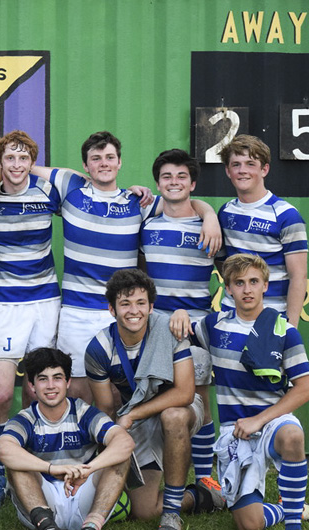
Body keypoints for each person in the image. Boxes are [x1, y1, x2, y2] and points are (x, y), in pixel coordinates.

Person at [0, 131, 221, 405]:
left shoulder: (138, 202)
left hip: (119, 312)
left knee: (116, 395)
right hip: (76, 311)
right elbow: (22, 166)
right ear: (85, 165)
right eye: (96, 158)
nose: (104, 163)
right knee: (76, 392)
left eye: (110, 157)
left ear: (119, 162)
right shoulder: (70, 187)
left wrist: (209, 214)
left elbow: (181, 201)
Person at [176, 254, 309, 529]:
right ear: (228, 288)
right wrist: (180, 314)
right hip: (235, 432)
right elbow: (181, 333)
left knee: (293, 436)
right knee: (250, 524)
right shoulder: (213, 326)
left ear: (265, 286)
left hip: (272, 423)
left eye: (254, 282)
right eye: (239, 283)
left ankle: (294, 524)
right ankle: (291, 509)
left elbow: (305, 389)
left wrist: (259, 420)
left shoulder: (284, 331)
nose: (247, 289)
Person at [85, 269, 220, 530]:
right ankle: (202, 497)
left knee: (173, 415)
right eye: (125, 303)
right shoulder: (99, 348)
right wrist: (107, 456)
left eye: (140, 303)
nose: (133, 311)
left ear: (151, 307)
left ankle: (171, 513)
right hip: (137, 419)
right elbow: (105, 408)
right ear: (112, 309)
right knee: (144, 511)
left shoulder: (168, 330)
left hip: (180, 408)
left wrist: (132, 415)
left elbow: (184, 393)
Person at [0, 131, 63, 509]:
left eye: (23, 158)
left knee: (35, 393)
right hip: (5, 306)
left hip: (45, 303)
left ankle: (30, 473)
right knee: (1, 394)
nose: (16, 165)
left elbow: (86, 182)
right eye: (9, 158)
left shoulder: (48, 192)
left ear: (32, 162)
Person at [139, 149, 220, 496]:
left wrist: (209, 214)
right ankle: (150, 471)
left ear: (193, 183)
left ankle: (204, 477)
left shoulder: (208, 226)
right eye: (167, 177)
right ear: (158, 184)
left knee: (198, 400)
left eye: (181, 176)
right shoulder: (147, 223)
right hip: (155, 324)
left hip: (196, 324)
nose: (174, 182)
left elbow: (232, 271)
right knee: (153, 397)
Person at [0, 347, 134, 530]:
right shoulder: (25, 419)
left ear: (68, 382)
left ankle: (92, 524)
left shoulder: (84, 412)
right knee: (16, 463)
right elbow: (3, 449)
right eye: (43, 379)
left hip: (84, 494)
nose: (51, 386)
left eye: (57, 378)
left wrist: (87, 470)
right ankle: (47, 525)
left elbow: (125, 442)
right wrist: (52, 469)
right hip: (43, 499)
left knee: (120, 457)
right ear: (32, 386)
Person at [218, 135, 308, 327]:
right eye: (236, 164)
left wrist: (289, 328)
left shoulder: (287, 215)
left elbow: (298, 277)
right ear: (227, 171)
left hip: (271, 319)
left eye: (250, 164)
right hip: (230, 317)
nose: (242, 170)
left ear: (264, 169)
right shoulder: (225, 212)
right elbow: (224, 265)